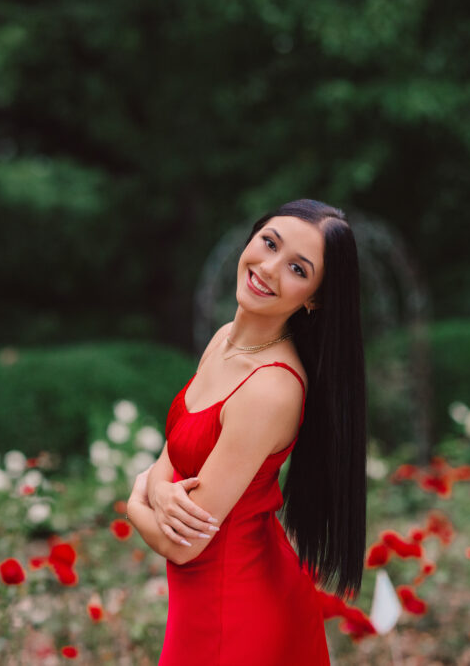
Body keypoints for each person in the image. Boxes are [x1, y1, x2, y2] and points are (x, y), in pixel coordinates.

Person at [126, 199, 367, 665]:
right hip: (208, 595)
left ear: (315, 297)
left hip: (233, 605)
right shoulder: (223, 341)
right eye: (269, 243)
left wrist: (136, 500)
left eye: (297, 268)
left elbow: (184, 545)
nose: (269, 268)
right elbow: (173, 458)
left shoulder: (270, 389)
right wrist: (157, 486)